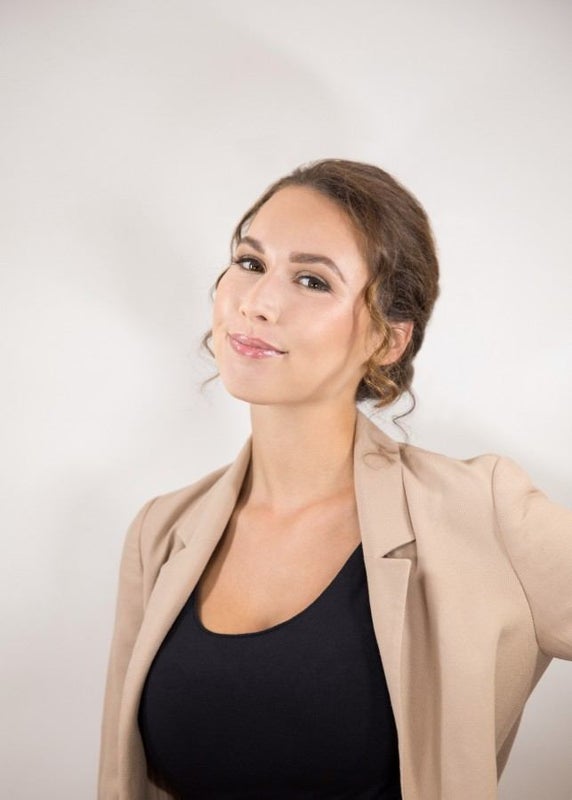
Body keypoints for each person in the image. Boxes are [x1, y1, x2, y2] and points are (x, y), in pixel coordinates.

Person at [98, 159, 572, 800]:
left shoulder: (482, 511)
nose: (257, 302)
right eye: (250, 262)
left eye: (312, 280)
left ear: (387, 340)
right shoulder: (160, 532)